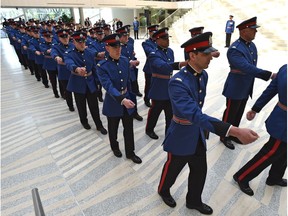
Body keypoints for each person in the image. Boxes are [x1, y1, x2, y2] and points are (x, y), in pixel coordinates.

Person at [157, 32, 259, 215]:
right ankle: (163, 190)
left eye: (210, 53)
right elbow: (194, 113)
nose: (210, 58)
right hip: (181, 134)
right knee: (173, 169)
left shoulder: (202, 75)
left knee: (200, 170)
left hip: (197, 133)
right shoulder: (177, 82)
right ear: (192, 55)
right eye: (205, 54)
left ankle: (194, 200)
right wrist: (232, 130)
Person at [220, 17, 275, 150]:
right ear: (244, 31)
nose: (255, 32)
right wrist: (269, 75)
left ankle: (234, 133)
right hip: (235, 86)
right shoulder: (235, 49)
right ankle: (224, 135)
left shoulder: (251, 45)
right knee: (231, 113)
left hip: (245, 86)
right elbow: (247, 67)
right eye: (253, 30)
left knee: (238, 113)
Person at [233, 64, 287, 196]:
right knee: (271, 151)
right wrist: (255, 109)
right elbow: (272, 89)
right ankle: (242, 176)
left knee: (283, 151)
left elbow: (271, 90)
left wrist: (256, 108)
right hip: (284, 123)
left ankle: (274, 177)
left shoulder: (285, 68)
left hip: (281, 117)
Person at [97, 33, 142, 164]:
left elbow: (127, 81)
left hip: (127, 98)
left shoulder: (124, 60)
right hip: (113, 102)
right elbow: (108, 86)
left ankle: (130, 152)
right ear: (107, 48)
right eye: (114, 47)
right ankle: (114, 147)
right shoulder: (102, 66)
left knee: (129, 128)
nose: (118, 49)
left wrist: (130, 96)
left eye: (119, 47)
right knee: (113, 128)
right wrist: (122, 99)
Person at [145, 27, 187, 140]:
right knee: (155, 111)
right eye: (164, 38)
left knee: (170, 113)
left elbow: (170, 69)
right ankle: (149, 129)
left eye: (168, 38)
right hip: (158, 87)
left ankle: (169, 131)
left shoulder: (170, 51)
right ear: (157, 40)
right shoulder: (153, 54)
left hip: (169, 86)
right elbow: (163, 66)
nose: (167, 40)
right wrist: (182, 64)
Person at [64, 31, 107, 135]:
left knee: (94, 105)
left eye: (83, 41)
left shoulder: (89, 52)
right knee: (81, 105)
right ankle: (84, 121)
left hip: (90, 82)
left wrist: (97, 82)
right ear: (73, 42)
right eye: (79, 42)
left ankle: (99, 124)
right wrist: (77, 69)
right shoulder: (69, 54)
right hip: (78, 83)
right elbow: (69, 63)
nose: (82, 44)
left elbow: (94, 68)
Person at [51, 29, 75, 111]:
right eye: (63, 37)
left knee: (77, 91)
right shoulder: (56, 47)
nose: (65, 39)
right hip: (64, 73)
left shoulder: (73, 45)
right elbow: (53, 53)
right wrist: (56, 57)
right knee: (68, 91)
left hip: (74, 72)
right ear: (59, 38)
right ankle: (70, 106)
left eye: (66, 37)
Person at [142, 24, 159, 107]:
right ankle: (146, 99)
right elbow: (150, 53)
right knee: (148, 85)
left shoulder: (159, 41)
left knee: (156, 85)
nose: (155, 34)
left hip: (158, 68)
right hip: (149, 68)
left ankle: (155, 99)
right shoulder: (146, 43)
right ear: (149, 32)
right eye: (153, 32)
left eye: (156, 32)